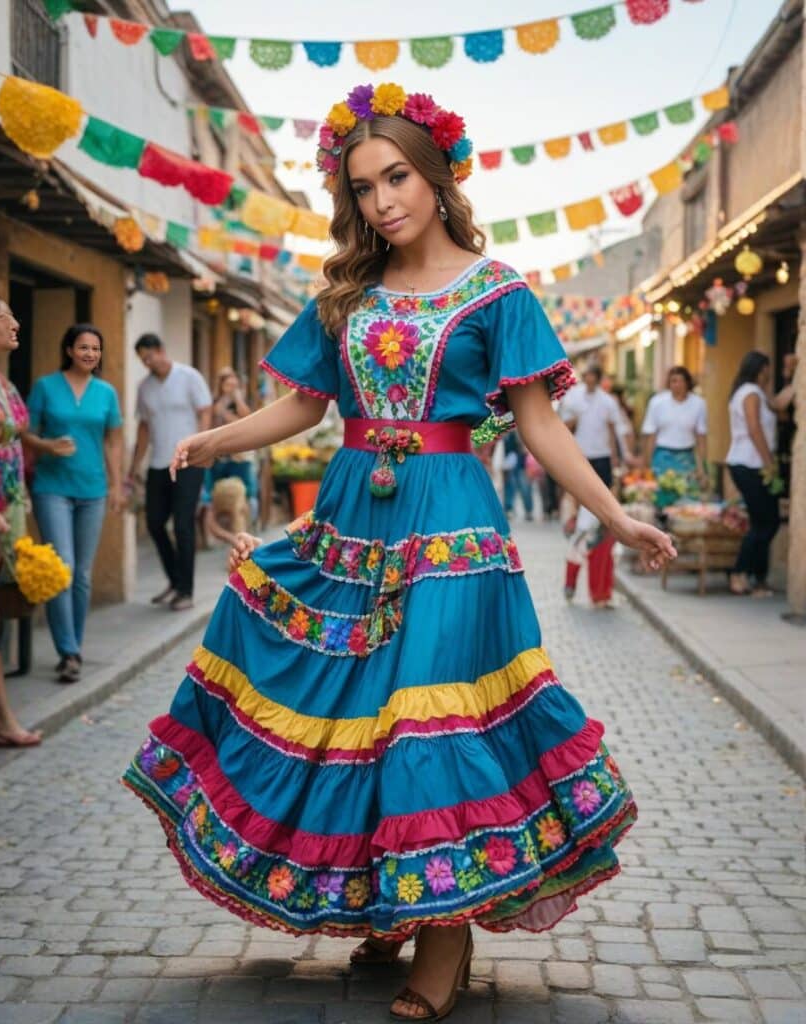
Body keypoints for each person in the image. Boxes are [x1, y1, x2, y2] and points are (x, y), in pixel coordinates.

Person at [122, 84, 674, 1022]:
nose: (383, 201)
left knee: (429, 718)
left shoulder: (498, 293)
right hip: (351, 522)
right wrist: (217, 441)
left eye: (399, 177)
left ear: (437, 174)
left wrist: (615, 517)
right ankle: (388, 894)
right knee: (363, 714)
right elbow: (306, 406)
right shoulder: (348, 298)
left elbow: (538, 426)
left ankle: (443, 941)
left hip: (454, 525)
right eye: (365, 187)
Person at [24, 324, 124, 683]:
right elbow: (25, 433)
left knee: (81, 575)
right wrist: (47, 446)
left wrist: (116, 485)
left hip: (93, 489)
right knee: (62, 569)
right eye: (83, 347)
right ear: (69, 349)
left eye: (95, 349)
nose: (90, 354)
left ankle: (74, 646)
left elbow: (113, 442)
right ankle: (67, 651)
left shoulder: (106, 392)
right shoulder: (45, 387)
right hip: (52, 487)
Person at [0, 290, 41, 747]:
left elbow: (16, 442)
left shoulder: (2, 382)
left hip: (10, 510)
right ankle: (3, 721)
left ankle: (0, 719)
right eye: (6, 316)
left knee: (1, 610)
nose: (16, 323)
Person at [128, 335, 211, 612]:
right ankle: (175, 581)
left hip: (188, 462)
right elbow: (143, 428)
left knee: (183, 526)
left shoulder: (189, 377)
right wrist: (133, 466)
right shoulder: (144, 388)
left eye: (149, 356)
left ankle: (186, 591)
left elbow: (205, 413)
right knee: (153, 522)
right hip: (158, 464)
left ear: (161, 350)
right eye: (142, 359)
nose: (147, 362)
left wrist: (204, 449)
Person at [726, 350, 797, 597]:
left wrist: (793, 378)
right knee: (767, 522)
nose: (770, 373)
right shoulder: (750, 394)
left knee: (762, 522)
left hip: (750, 463)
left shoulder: (753, 393)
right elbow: (754, 428)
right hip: (750, 464)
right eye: (768, 368)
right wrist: (769, 463)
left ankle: (757, 580)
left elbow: (779, 406)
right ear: (761, 369)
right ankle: (739, 573)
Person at [559, 367, 621, 607]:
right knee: (582, 536)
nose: (590, 380)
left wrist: (616, 459)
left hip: (602, 458)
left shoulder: (607, 402)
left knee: (594, 538)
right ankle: (576, 584)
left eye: (594, 376)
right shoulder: (573, 398)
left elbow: (614, 431)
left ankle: (597, 592)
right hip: (580, 457)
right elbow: (562, 430)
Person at [201, 367, 258, 545]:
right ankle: (217, 537)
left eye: (234, 383)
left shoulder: (242, 400)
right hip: (219, 457)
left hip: (239, 458)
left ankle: (244, 533)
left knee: (245, 496)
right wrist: (226, 404)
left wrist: (237, 398)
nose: (231, 387)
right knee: (211, 499)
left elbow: (247, 420)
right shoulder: (214, 401)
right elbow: (214, 418)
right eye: (227, 383)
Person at [641, 366, 708, 509]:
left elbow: (701, 437)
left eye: (680, 381)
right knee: (661, 499)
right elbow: (651, 434)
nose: (676, 385)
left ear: (688, 383)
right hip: (662, 456)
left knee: (687, 498)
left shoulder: (698, 404)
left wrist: (702, 467)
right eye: (673, 381)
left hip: (686, 457)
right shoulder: (657, 402)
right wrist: (647, 464)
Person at [501, 429, 533, 521]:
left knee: (525, 488)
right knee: (510, 487)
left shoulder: (519, 431)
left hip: (521, 464)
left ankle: (528, 510)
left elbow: (524, 448)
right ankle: (509, 509)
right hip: (508, 465)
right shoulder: (506, 433)